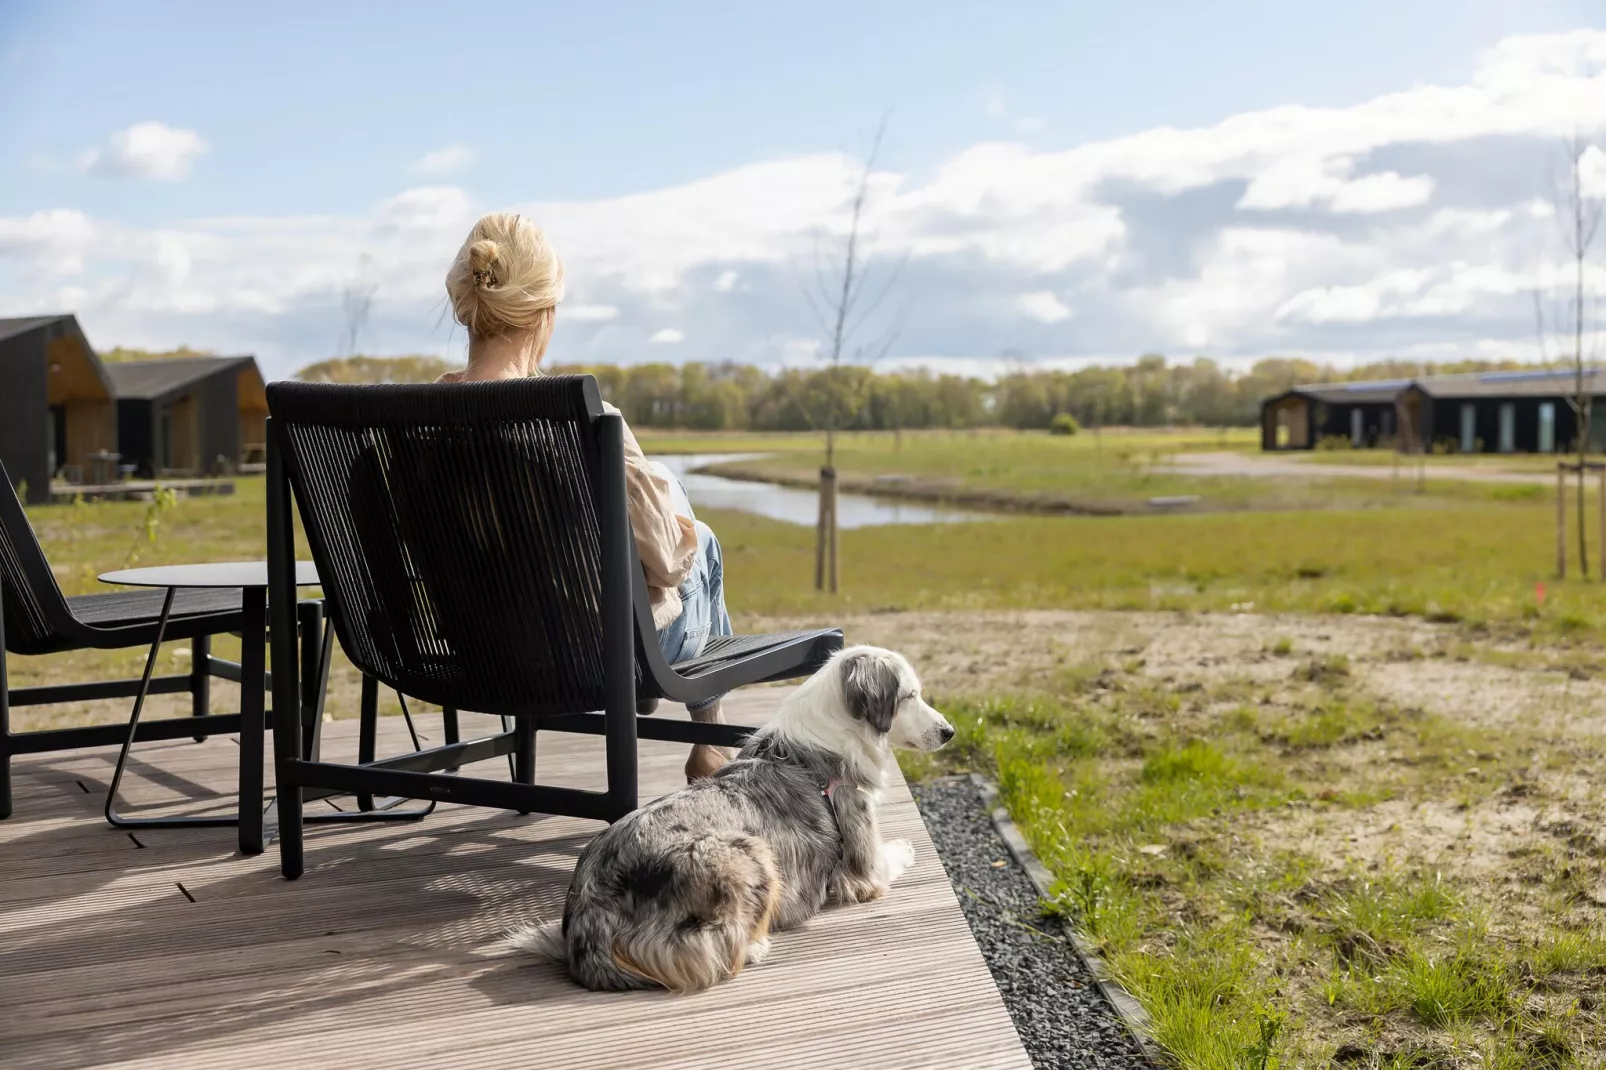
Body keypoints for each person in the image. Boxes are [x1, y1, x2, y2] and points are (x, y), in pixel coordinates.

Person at [438, 212, 735, 782]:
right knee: (702, 542)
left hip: (476, 645)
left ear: (467, 306)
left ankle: (680, 715)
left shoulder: (417, 426)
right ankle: (708, 738)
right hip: (593, 652)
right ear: (546, 315)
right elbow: (669, 561)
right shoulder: (585, 423)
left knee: (662, 489)